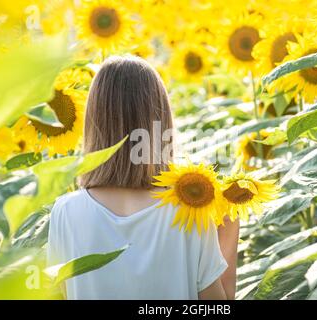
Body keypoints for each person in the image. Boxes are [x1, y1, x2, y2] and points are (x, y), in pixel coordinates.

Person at [47, 55, 239, 300]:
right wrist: (230, 225)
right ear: (161, 122)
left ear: (93, 124)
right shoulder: (188, 213)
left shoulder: (65, 212)